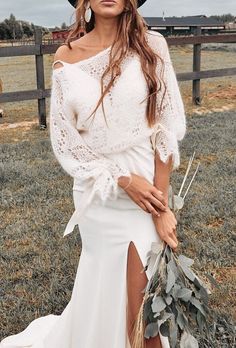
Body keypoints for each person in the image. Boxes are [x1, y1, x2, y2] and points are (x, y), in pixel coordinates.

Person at [0, 0, 186, 347]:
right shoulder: (67, 57)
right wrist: (122, 178)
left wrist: (162, 208)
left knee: (144, 316)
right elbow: (67, 142)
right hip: (99, 193)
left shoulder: (151, 46)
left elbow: (164, 127)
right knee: (115, 294)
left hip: (146, 195)